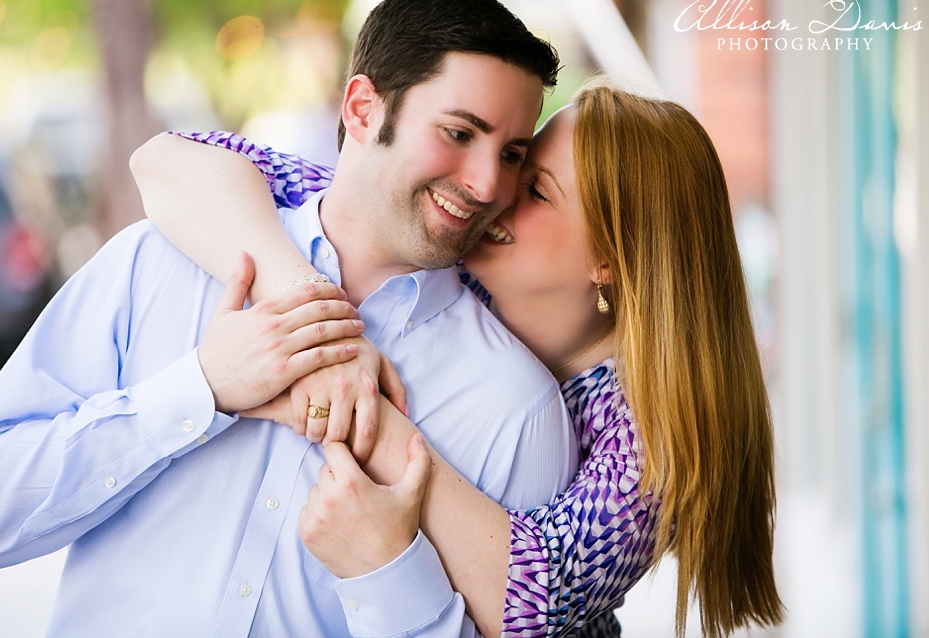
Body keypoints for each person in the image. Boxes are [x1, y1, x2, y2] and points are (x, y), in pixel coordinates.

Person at [0, 0, 579, 637]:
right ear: (363, 109)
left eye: (511, 154)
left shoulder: (516, 407)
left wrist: (389, 573)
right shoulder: (157, 262)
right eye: (459, 133)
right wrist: (197, 390)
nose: (486, 183)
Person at [141, 81, 785, 637]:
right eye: (513, 162)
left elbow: (533, 597)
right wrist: (311, 309)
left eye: (536, 190)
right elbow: (169, 158)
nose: (491, 191)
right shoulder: (457, 255)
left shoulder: (649, 435)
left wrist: (357, 401)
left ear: (610, 259)